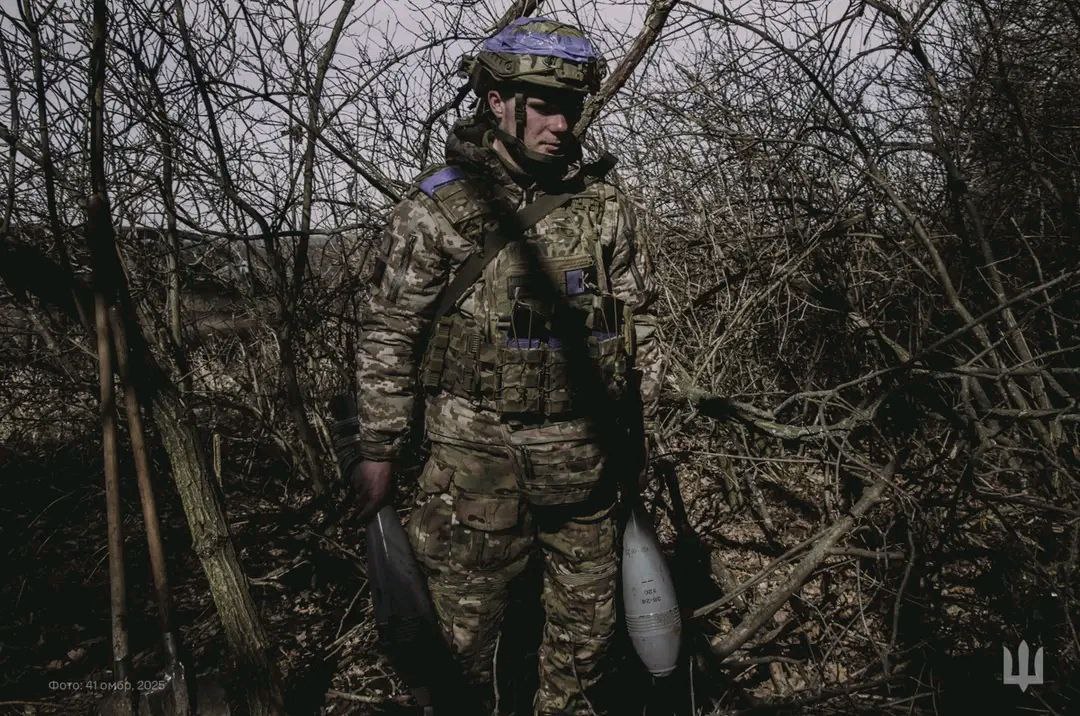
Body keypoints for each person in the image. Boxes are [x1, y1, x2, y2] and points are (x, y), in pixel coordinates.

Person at [348, 16, 662, 715]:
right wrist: (379, 449)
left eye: (571, 107)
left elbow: (641, 324)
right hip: (475, 471)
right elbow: (388, 333)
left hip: (585, 470)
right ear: (497, 103)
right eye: (544, 106)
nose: (562, 124)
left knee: (586, 650)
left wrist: (642, 430)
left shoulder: (605, 207)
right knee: (458, 653)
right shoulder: (440, 210)